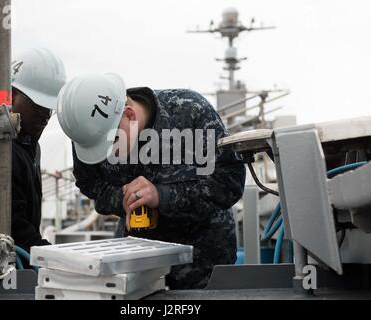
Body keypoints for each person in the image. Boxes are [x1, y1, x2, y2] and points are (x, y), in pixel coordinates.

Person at [57, 74, 246, 289]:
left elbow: (229, 181)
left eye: (112, 143)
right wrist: (121, 198)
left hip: (203, 262)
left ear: (129, 114)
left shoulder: (190, 112)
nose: (107, 154)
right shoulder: (90, 129)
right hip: (136, 262)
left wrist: (161, 196)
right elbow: (89, 184)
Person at [0, 48, 66, 252]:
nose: (45, 116)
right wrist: (56, 258)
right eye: (38, 106)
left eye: (50, 108)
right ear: (11, 96)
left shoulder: (27, 144)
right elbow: (16, 230)